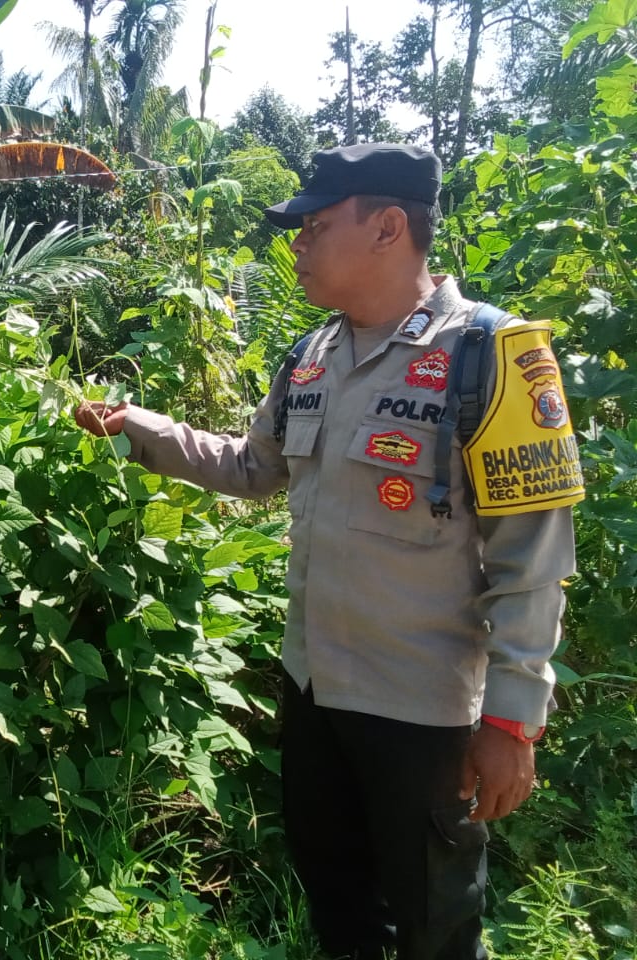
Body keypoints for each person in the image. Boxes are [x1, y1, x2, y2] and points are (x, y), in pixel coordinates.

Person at [74, 143, 582, 960]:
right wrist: (136, 426)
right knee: (339, 902)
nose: (297, 244)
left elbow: (534, 556)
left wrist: (511, 722)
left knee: (435, 921)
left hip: (421, 711)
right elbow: (252, 468)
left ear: (388, 228)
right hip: (314, 689)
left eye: (314, 226)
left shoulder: (491, 354)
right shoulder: (311, 357)